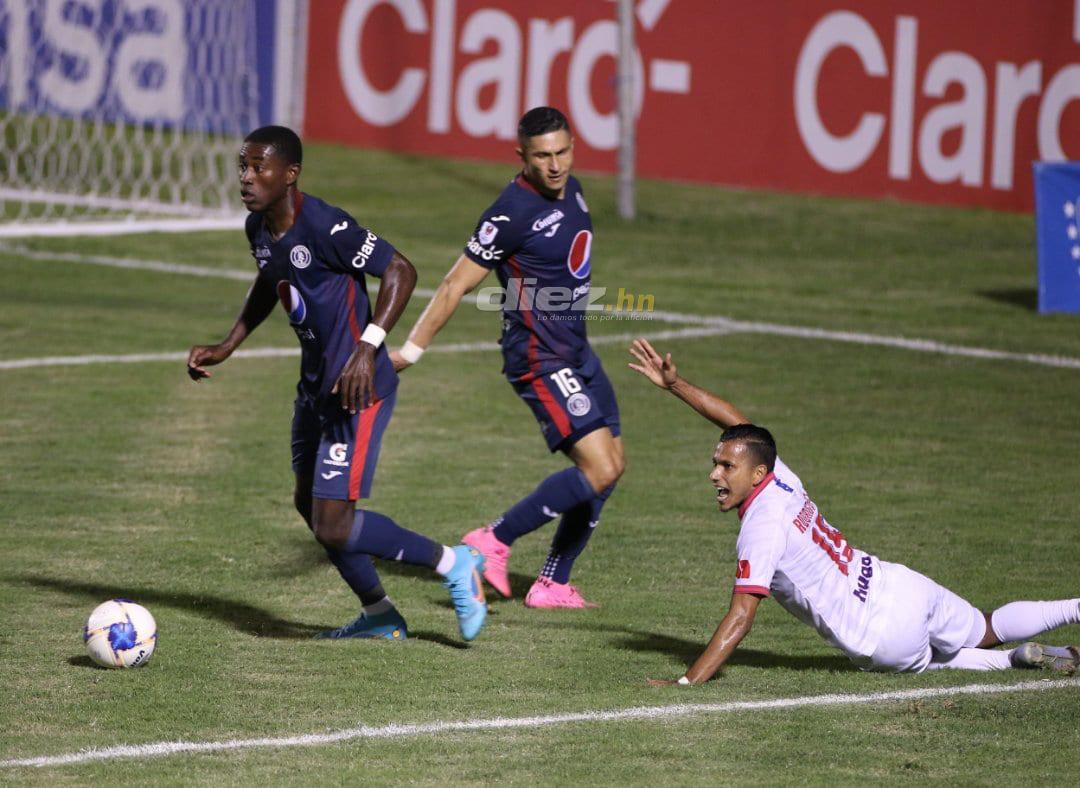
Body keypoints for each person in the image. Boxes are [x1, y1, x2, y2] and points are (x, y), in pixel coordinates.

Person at [627, 338, 1079, 682]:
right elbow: (741, 428)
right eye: (716, 464)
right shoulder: (780, 476)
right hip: (899, 585)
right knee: (985, 625)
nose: (715, 475)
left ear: (756, 472)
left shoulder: (761, 529)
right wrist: (676, 386)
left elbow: (741, 618)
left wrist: (686, 681)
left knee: (942, 661)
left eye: (726, 466)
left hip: (881, 636)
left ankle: (1011, 661)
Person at [186, 125, 487, 642]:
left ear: (290, 174)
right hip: (314, 390)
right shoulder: (258, 228)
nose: (246, 177)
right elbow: (272, 278)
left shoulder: (327, 226)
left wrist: (368, 347)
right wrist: (230, 342)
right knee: (309, 504)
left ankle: (454, 562)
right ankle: (380, 614)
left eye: (259, 167)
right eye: (243, 167)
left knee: (333, 523)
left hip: (357, 391)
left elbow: (401, 270)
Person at [390, 107, 624, 608]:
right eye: (542, 156)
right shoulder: (510, 213)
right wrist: (411, 350)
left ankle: (553, 583)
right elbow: (454, 285)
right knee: (600, 467)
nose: (555, 165)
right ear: (521, 156)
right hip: (540, 358)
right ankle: (492, 539)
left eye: (562, 152)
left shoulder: (574, 189)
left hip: (576, 350)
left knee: (611, 466)